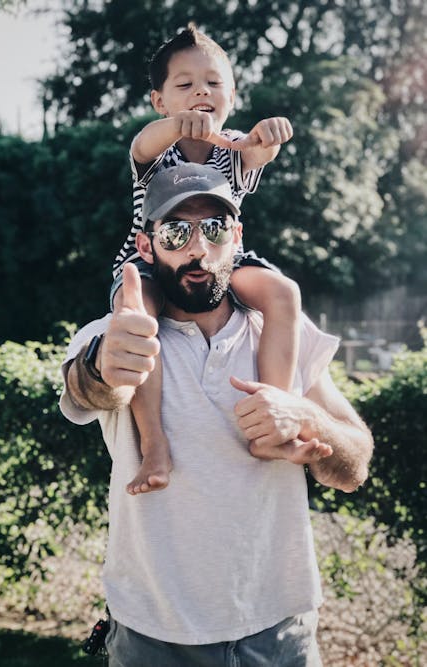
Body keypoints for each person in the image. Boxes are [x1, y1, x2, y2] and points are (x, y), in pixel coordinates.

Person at [60, 163, 373, 667]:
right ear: (146, 246)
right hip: (155, 639)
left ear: (237, 236)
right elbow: (90, 388)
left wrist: (305, 418)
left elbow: (355, 465)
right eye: (176, 231)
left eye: (214, 228)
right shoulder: (119, 331)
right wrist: (103, 365)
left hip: (282, 634)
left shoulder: (286, 334)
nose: (197, 249)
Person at [111, 24, 313, 495]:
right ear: (160, 101)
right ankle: (154, 442)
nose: (201, 90)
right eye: (184, 85)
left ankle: (273, 412)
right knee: (137, 316)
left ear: (232, 95)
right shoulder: (156, 150)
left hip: (225, 254)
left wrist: (271, 134)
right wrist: (178, 126)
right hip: (152, 257)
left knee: (284, 292)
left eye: (213, 83)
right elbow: (141, 143)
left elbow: (262, 150)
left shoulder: (237, 147)